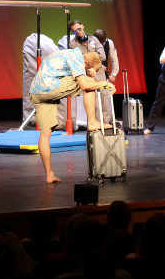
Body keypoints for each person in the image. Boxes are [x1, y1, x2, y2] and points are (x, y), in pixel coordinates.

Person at [29, 49, 115, 183]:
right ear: (86, 63)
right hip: (48, 88)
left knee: (45, 134)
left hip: (36, 92)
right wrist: (104, 83)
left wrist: (88, 74)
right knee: (88, 84)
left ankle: (49, 174)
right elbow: (85, 85)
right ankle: (92, 121)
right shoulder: (77, 57)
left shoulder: (68, 54)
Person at [68, 20, 112, 122]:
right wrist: (94, 58)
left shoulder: (94, 39)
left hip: (99, 74)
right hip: (87, 75)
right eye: (75, 31)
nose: (78, 32)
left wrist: (91, 62)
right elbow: (79, 60)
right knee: (93, 103)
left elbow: (103, 56)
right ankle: (94, 126)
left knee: (104, 100)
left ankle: (106, 125)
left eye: (79, 29)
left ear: (83, 26)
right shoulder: (73, 44)